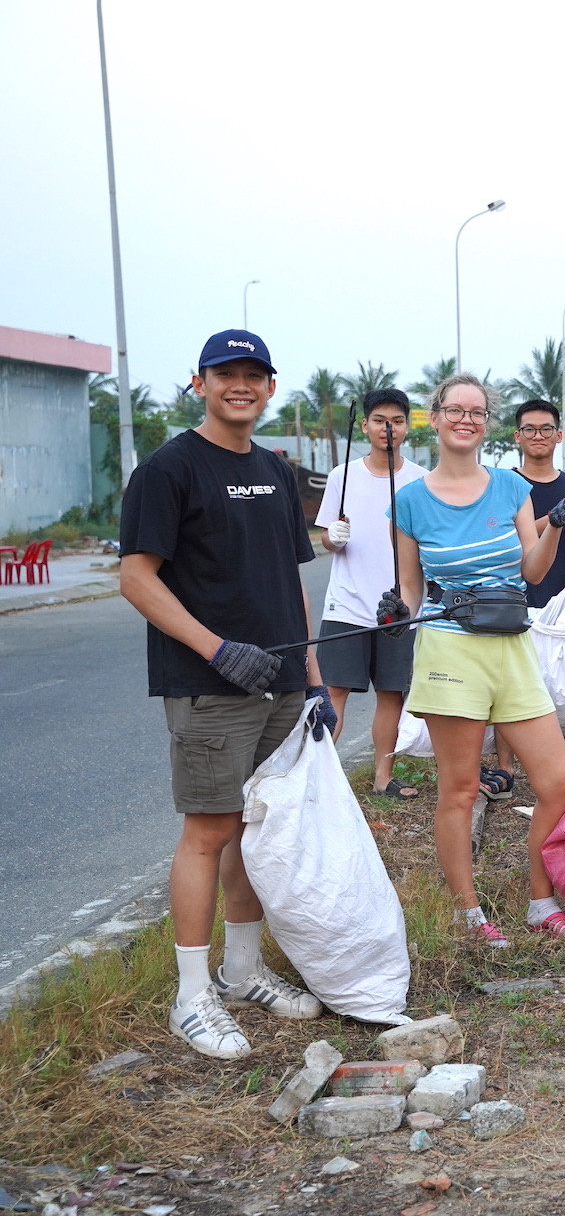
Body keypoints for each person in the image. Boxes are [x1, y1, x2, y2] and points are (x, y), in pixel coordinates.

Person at [120, 329, 333, 1059]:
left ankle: (242, 972)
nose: (239, 385)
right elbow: (137, 578)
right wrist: (214, 646)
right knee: (209, 833)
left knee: (258, 830)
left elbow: (291, 581)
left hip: (279, 683)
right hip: (209, 685)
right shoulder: (170, 468)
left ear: (271, 387)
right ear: (199, 382)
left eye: (253, 374)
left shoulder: (276, 473)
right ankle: (191, 997)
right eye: (225, 374)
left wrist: (312, 680)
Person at [393, 373, 565, 947]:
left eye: (476, 412)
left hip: (513, 646)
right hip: (449, 647)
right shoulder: (410, 499)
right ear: (436, 417)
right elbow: (409, 590)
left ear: (486, 423)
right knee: (459, 789)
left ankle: (540, 900)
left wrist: (557, 525)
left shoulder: (510, 487)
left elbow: (531, 569)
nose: (465, 419)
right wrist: (394, 609)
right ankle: (468, 914)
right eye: (454, 410)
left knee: (558, 784)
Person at [313, 388, 428, 799]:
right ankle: (319, 782)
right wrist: (334, 537)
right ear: (364, 426)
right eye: (379, 420)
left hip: (399, 609)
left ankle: (384, 777)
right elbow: (327, 535)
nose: (388, 428)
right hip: (346, 602)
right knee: (333, 692)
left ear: (407, 427)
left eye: (397, 421)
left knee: (392, 693)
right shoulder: (342, 476)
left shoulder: (420, 481)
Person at [488, 399, 565, 782]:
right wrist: (552, 520)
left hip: (564, 606)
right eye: (529, 429)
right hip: (515, 602)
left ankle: (564, 775)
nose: (537, 436)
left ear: (559, 435)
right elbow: (501, 540)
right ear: (517, 436)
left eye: (546, 429)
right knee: (510, 692)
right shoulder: (502, 486)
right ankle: (505, 772)